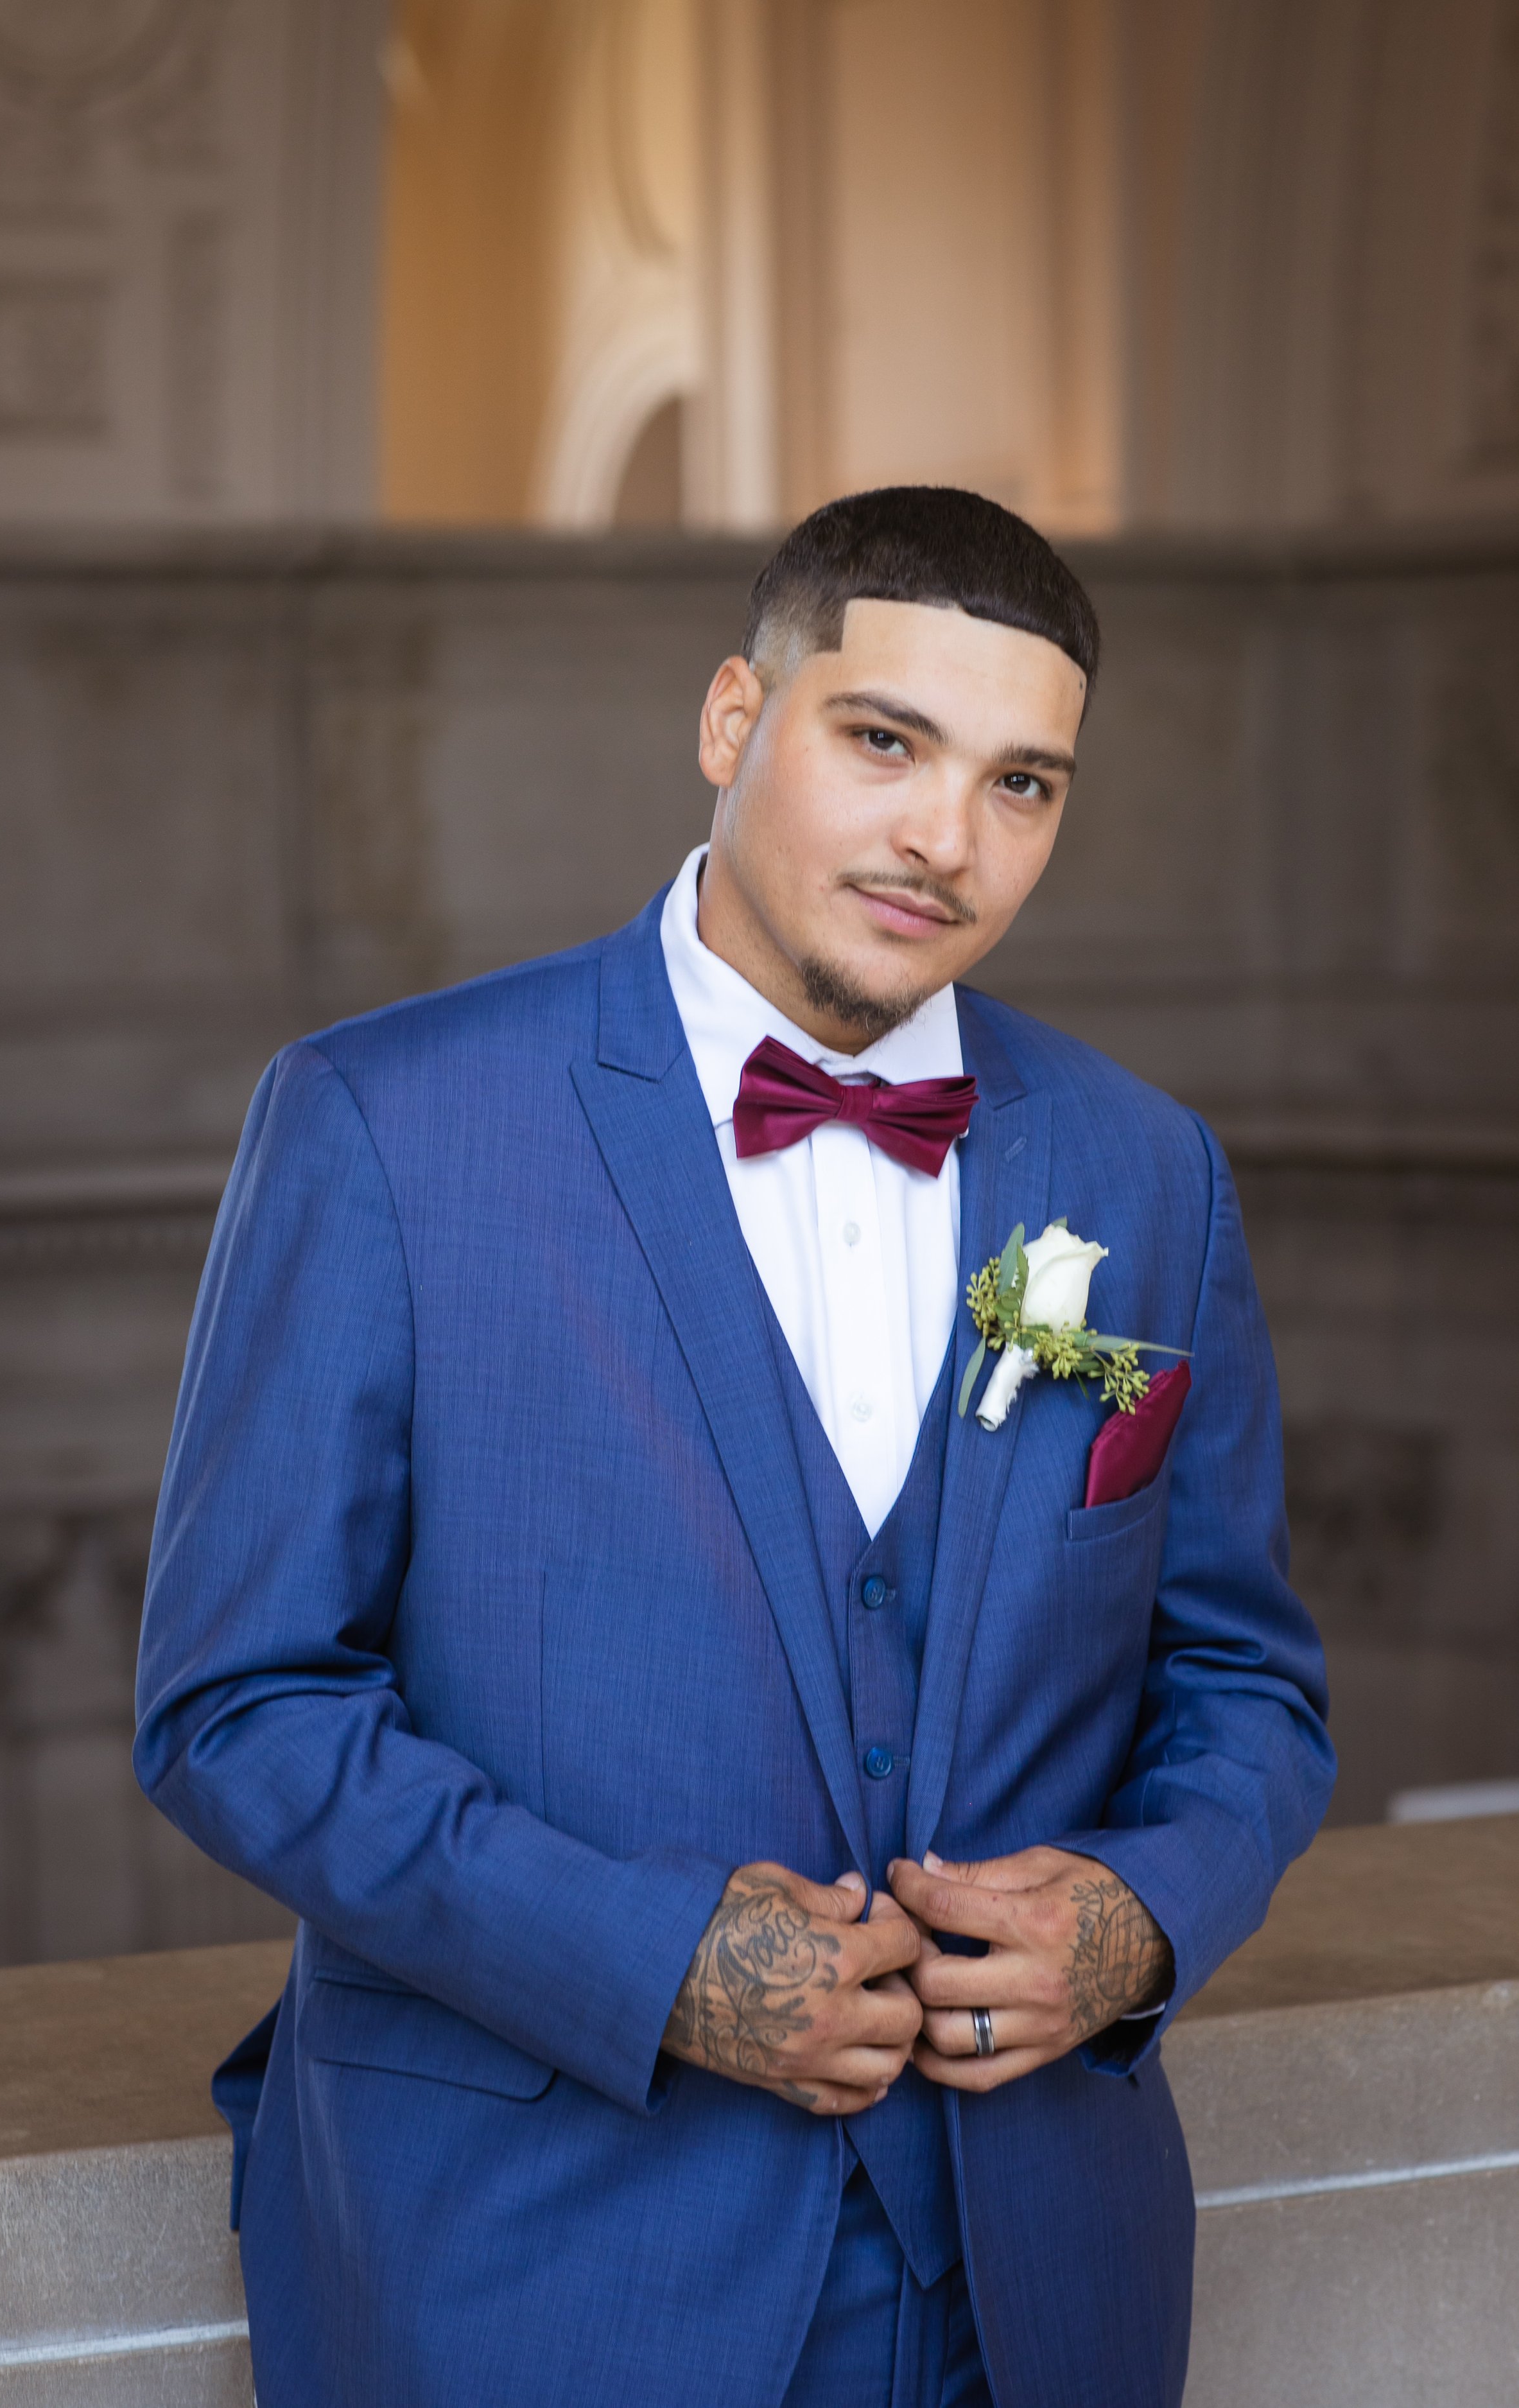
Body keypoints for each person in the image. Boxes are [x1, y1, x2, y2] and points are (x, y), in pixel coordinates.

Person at [135, 486, 1333, 2408]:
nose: (945, 838)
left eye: (1022, 785)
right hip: (527, 2280)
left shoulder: (1142, 1169)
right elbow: (232, 1704)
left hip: (1033, 2288)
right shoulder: (384, 1122)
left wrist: (1140, 1917)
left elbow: (1246, 1683)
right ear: (727, 723)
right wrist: (647, 1958)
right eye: (884, 742)